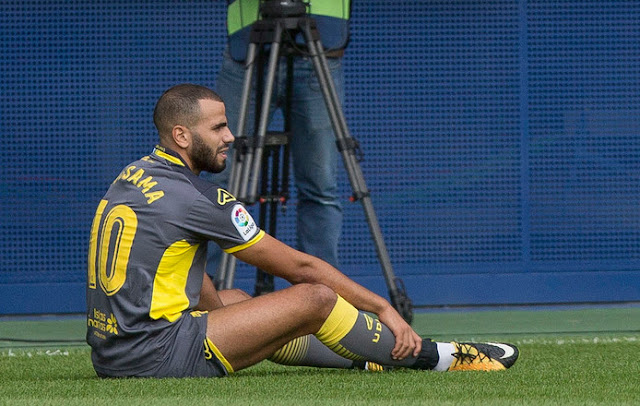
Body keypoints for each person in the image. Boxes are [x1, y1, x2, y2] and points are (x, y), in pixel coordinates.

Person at [86, 84, 519, 378]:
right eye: (218, 127)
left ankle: (367, 357)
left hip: (113, 352)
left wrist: (221, 317)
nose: (231, 136)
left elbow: (182, 272)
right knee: (315, 298)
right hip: (155, 355)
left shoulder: (132, 175)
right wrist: (382, 307)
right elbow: (301, 268)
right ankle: (434, 357)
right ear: (181, 135)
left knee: (238, 301)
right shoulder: (199, 198)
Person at [203, 0, 350, 277]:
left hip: (319, 45)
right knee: (221, 176)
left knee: (320, 185)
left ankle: (322, 292)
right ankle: (206, 288)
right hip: (248, 49)